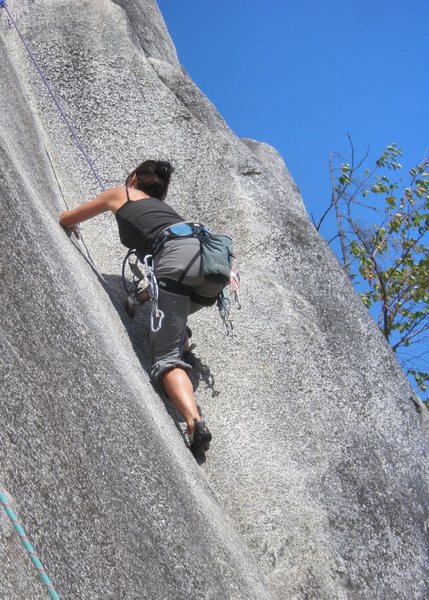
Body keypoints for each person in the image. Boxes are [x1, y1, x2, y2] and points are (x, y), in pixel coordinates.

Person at [59, 160, 225, 453]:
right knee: (176, 317)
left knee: (166, 359)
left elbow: (67, 217)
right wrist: (137, 298)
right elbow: (168, 277)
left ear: (134, 177)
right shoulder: (169, 214)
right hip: (212, 267)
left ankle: (193, 421)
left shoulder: (121, 192)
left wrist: (70, 223)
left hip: (177, 263)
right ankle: (182, 339)